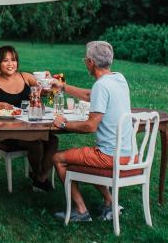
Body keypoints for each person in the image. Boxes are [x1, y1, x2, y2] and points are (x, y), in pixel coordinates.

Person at [49, 41, 133, 222]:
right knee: (87, 155)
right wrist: (63, 86)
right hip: (128, 153)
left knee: (58, 158)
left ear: (90, 62)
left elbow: (90, 126)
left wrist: (63, 124)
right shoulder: (119, 78)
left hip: (109, 157)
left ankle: (80, 210)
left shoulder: (101, 86)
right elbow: (90, 95)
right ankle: (110, 203)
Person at [0, 45, 57, 192]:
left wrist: (48, 83)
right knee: (36, 144)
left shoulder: (26, 77)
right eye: (5, 60)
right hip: (5, 131)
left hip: (29, 127)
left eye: (13, 60)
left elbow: (48, 95)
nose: (10, 64)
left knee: (53, 140)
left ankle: (40, 177)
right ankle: (40, 179)